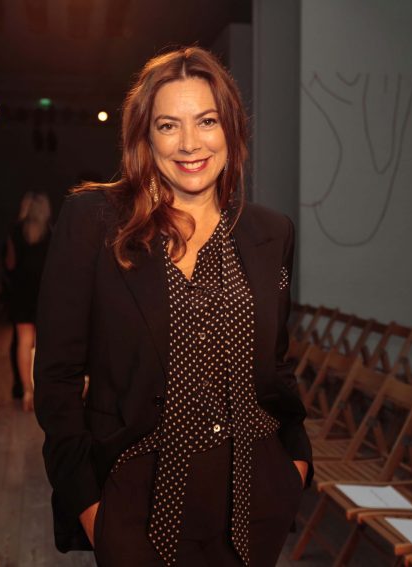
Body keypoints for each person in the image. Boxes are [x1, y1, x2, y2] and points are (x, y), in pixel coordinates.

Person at [34, 46, 313, 567]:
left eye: (207, 121)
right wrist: (92, 508)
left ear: (231, 128)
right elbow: (56, 378)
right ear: (145, 136)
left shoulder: (271, 233)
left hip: (253, 503)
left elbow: (276, 366)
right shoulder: (94, 221)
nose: (189, 143)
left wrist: (295, 466)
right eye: (168, 126)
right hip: (134, 503)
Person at [4, 191, 52, 412]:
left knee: (23, 341)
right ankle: (41, 390)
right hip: (44, 292)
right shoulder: (50, 233)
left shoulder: (15, 232)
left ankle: (26, 392)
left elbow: (10, 264)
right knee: (42, 344)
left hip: (21, 291)